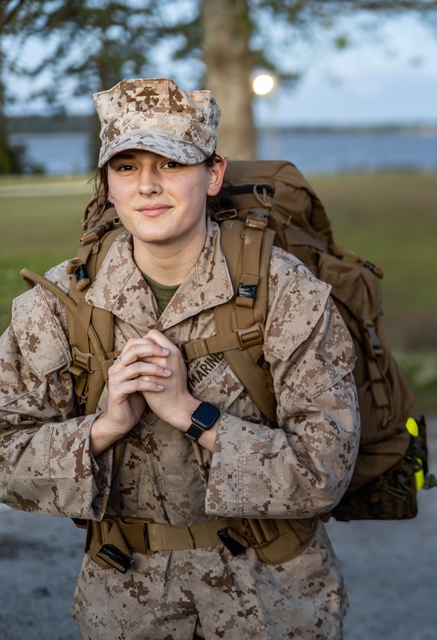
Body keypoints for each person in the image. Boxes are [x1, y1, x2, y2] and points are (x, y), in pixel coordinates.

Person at [0, 78, 360, 639]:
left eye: (170, 163)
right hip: (125, 602)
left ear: (212, 175)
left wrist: (194, 414)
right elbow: (4, 452)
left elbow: (324, 470)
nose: (147, 185)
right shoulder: (54, 309)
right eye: (126, 166)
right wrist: (104, 427)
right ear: (107, 185)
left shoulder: (287, 295)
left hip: (271, 602)